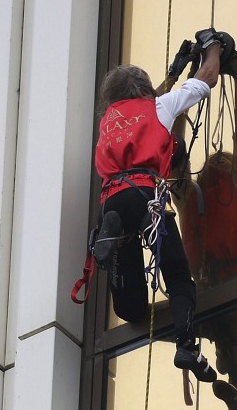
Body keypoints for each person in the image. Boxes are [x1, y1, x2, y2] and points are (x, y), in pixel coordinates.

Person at [90, 29, 224, 382]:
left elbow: (145, 111)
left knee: (131, 309)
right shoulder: (158, 107)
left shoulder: (108, 123)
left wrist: (173, 72)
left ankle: (113, 236)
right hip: (145, 197)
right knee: (179, 275)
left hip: (112, 200)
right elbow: (205, 80)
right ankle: (186, 345)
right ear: (144, 91)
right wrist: (215, 47)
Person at [167, 37, 237, 410]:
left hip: (235, 294)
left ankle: (234, 380)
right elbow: (176, 150)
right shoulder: (194, 194)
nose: (216, 162)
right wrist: (198, 88)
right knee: (224, 329)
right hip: (232, 296)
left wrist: (233, 75)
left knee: (220, 327)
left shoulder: (219, 190)